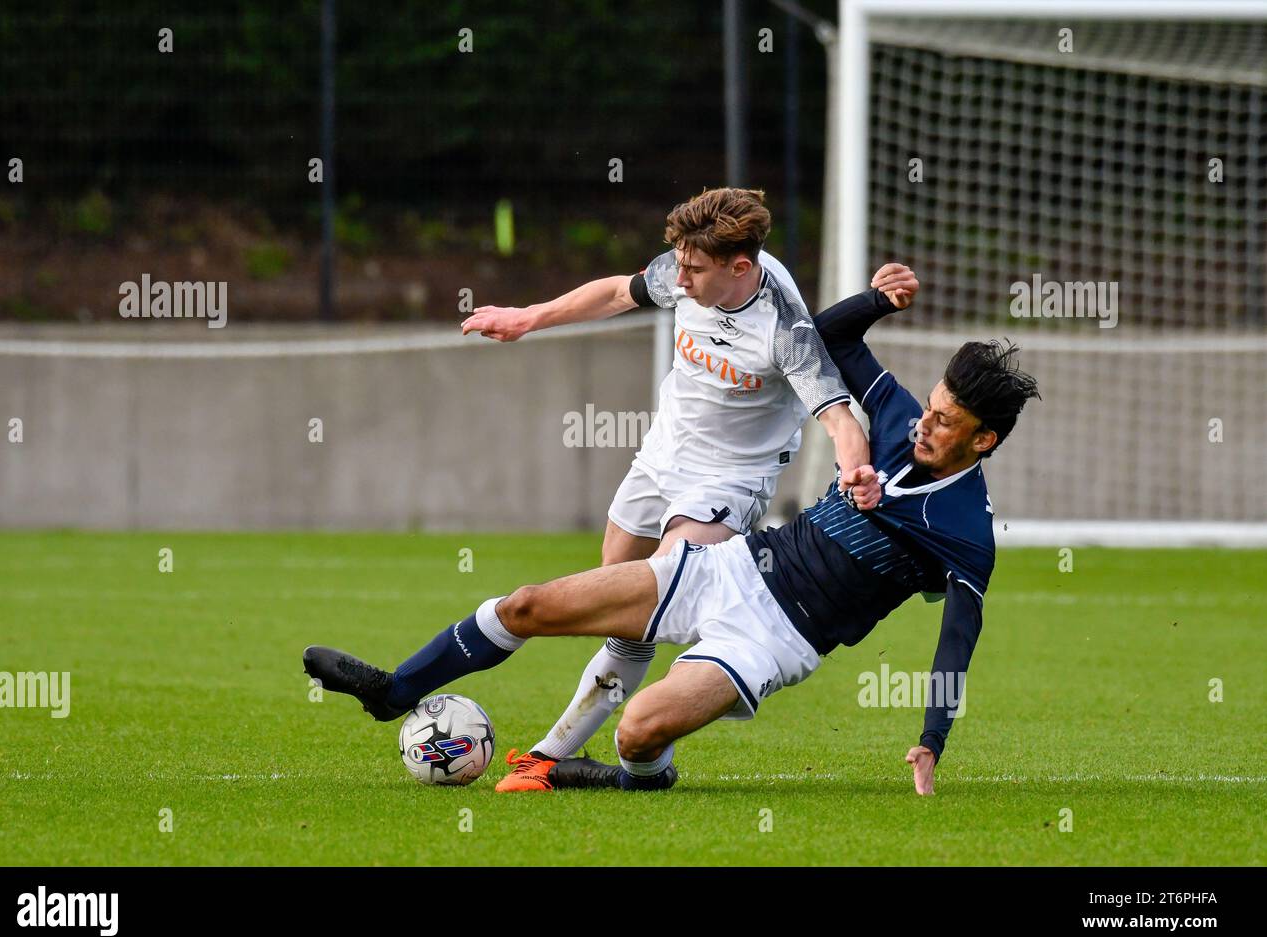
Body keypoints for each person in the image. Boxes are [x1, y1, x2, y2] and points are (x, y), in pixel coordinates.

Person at [304, 282, 1040, 795]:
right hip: (731, 568)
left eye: (947, 421)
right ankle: (391, 693)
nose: (927, 423)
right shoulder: (895, 418)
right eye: (934, 406)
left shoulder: (968, 533)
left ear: (987, 439)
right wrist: (879, 300)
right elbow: (828, 334)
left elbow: (956, 643)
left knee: (638, 731)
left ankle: (639, 780)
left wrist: (931, 740)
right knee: (530, 604)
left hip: (776, 640)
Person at [458, 186, 900, 791]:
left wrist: (856, 469)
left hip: (730, 477)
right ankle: (584, 754)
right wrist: (526, 317)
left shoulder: (783, 327)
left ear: (738, 267)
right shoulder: (688, 268)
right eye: (680, 264)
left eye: (692, 269)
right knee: (618, 608)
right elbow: (618, 291)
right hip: (660, 458)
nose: (678, 278)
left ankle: (549, 754)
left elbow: (838, 415)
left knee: (658, 586)